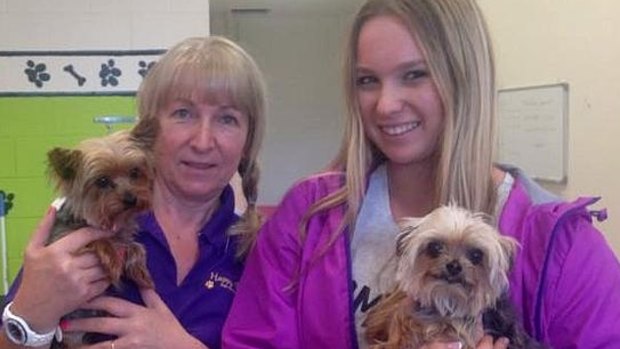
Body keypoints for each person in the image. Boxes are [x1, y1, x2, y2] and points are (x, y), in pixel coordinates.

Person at [222, 0, 620, 348]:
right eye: (367, 81)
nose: (385, 105)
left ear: (465, 78)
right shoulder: (308, 217)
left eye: (414, 74)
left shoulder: (561, 245)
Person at [1, 35, 267, 349]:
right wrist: (29, 316)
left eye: (227, 118)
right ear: (148, 131)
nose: (202, 141)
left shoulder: (259, 249)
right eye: (183, 113)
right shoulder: (81, 225)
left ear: (247, 141)